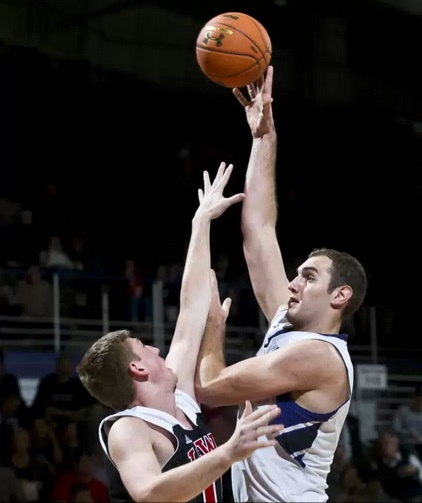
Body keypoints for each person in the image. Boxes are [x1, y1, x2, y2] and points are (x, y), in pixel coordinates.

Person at [195, 65, 368, 503]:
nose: (293, 283)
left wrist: (212, 328)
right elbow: (258, 230)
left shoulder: (319, 357)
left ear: (340, 295)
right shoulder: (290, 325)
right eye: (296, 274)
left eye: (308, 277)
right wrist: (263, 135)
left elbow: (210, 387)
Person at [76, 163, 283, 503]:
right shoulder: (128, 428)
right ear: (137, 368)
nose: (157, 350)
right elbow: (147, 492)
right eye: (144, 347)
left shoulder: (180, 400)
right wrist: (228, 452)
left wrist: (202, 222)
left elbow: (190, 310)